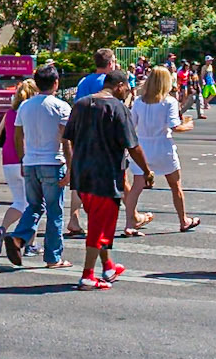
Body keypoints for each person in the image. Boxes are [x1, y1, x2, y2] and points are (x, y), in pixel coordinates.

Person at [62, 68, 153, 288]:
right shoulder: (118, 108)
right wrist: (147, 171)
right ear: (119, 86)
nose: (128, 91)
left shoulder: (81, 104)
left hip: (83, 175)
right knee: (98, 228)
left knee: (97, 222)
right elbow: (133, 145)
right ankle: (87, 275)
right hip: (106, 176)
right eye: (127, 87)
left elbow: (68, 139)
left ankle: (108, 266)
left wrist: (72, 167)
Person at [4, 62, 72, 270]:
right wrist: (71, 168)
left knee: (34, 205)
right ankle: (53, 257)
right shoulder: (61, 106)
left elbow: (17, 135)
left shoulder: (25, 106)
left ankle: (19, 237)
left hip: (31, 161)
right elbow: (66, 139)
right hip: (53, 161)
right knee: (54, 211)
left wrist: (23, 159)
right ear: (56, 83)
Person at [125, 67, 200, 233]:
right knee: (175, 185)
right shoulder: (168, 101)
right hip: (163, 146)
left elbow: (131, 124)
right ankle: (183, 220)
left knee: (136, 187)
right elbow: (175, 126)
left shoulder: (139, 101)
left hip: (142, 147)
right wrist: (187, 126)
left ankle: (129, 223)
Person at [65, 47, 116, 238]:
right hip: (103, 135)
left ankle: (74, 217)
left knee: (80, 177)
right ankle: (130, 216)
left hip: (82, 132)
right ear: (110, 63)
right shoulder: (109, 82)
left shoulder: (84, 81)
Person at [0, 77, 39, 257]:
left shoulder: (9, 113)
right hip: (24, 160)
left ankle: (2, 229)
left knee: (20, 201)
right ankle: (29, 244)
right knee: (34, 204)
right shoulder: (30, 113)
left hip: (8, 159)